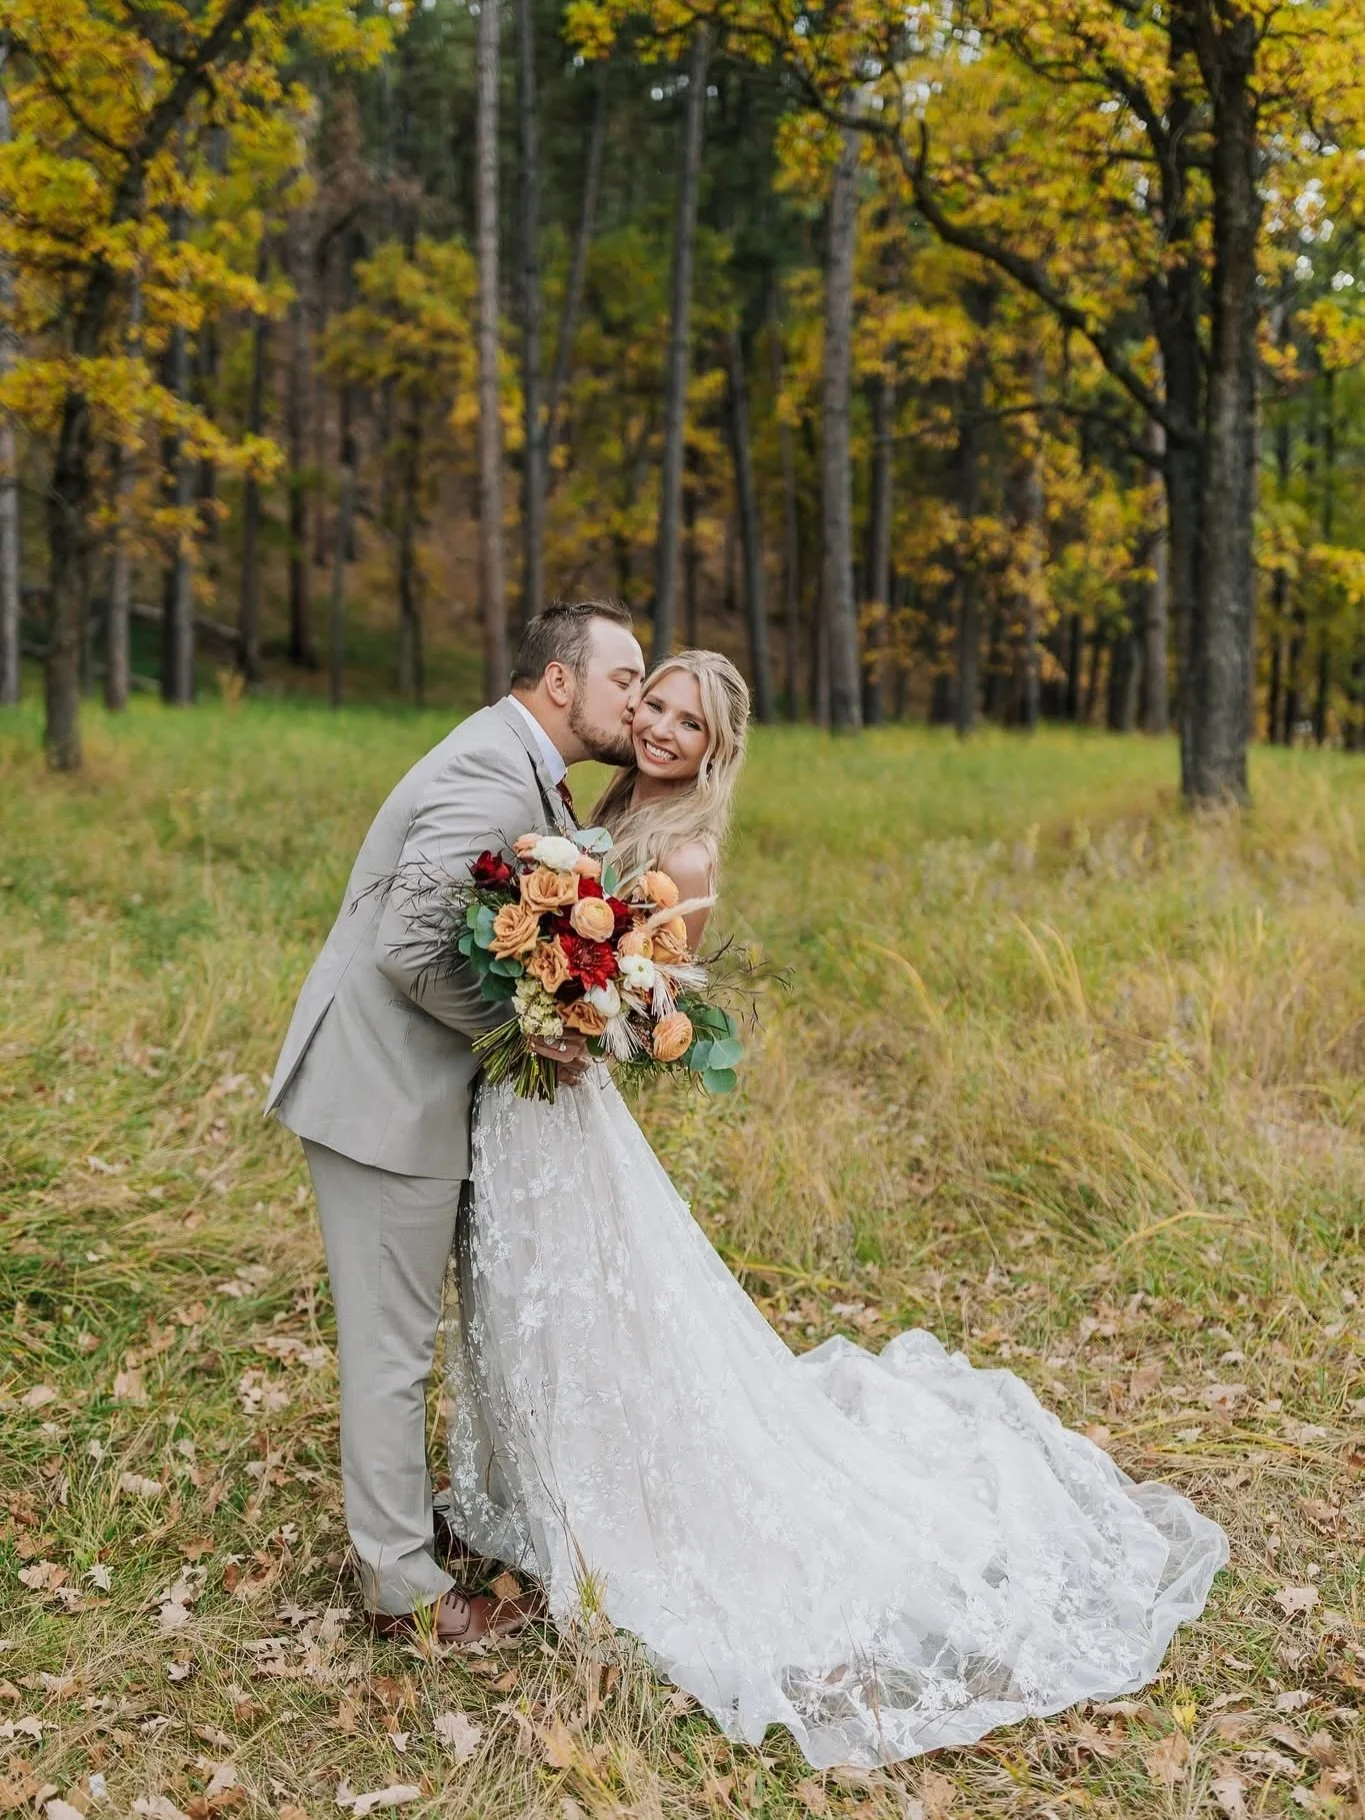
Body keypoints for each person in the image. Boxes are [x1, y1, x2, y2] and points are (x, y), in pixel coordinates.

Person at [444, 646, 1229, 1769]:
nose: (662, 727)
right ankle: (542, 1484)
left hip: (567, 1094)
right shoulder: (606, 801)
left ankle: (609, 1515)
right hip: (528, 1098)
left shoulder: (690, 849)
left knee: (591, 1302)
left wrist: (574, 1012)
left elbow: (646, 1009)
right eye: (654, 705)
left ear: (718, 747)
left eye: (688, 721)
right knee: (542, 1298)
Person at [264, 600, 645, 1642]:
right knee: (391, 1352)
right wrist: (531, 1035)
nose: (638, 698)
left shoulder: (512, 761)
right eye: (624, 677)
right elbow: (409, 944)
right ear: (559, 681)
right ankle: (407, 1595)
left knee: (408, 1341)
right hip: (381, 1096)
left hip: (410, 1093)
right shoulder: (486, 768)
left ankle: (407, 1529)